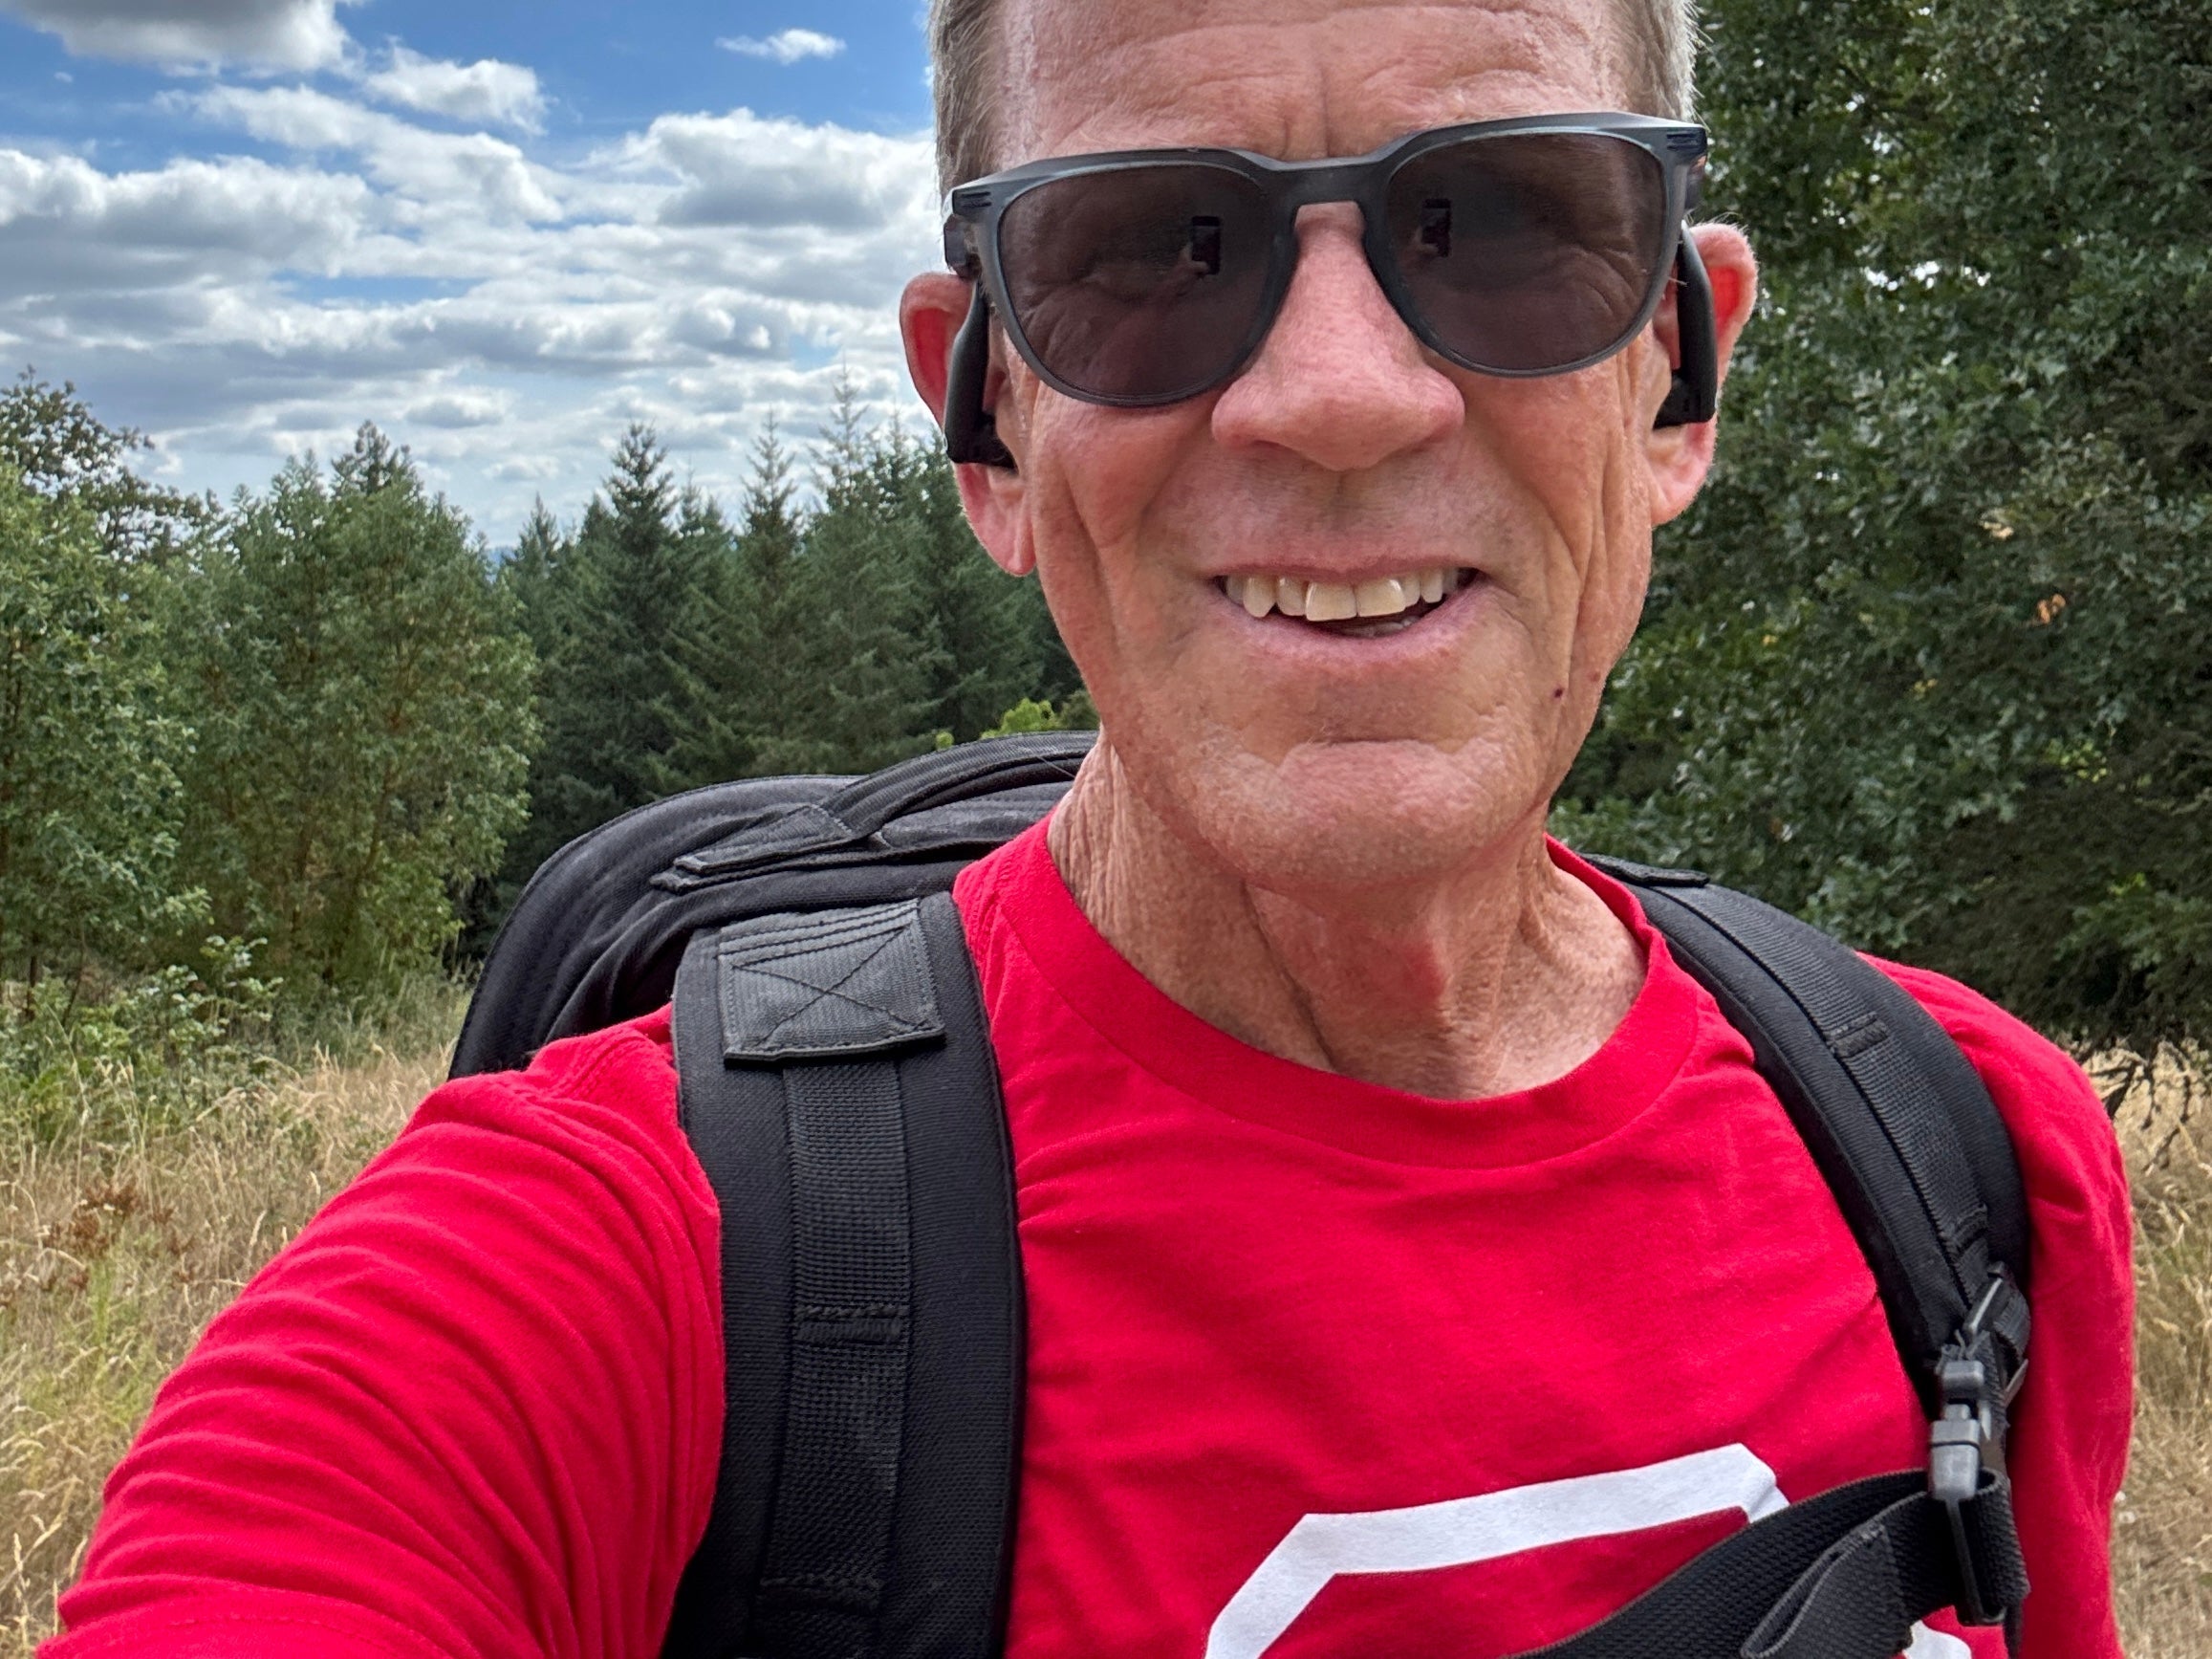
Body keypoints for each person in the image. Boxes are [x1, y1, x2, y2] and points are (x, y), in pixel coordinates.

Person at [44, 0, 2132, 1655]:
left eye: (1501, 225)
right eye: (1146, 252)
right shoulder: (597, 1277)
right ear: (988, 424)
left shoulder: (1959, 1154)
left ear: (1677, 371)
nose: (1339, 394)